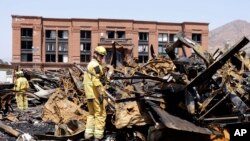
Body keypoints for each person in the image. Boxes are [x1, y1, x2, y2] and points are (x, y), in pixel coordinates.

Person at [83, 46, 107, 141]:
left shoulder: (90, 64)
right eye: (101, 56)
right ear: (95, 54)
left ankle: (88, 135)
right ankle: (98, 137)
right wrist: (101, 94)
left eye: (102, 56)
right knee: (100, 114)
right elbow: (96, 81)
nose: (101, 58)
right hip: (95, 93)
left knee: (91, 114)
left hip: (89, 94)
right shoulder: (95, 66)